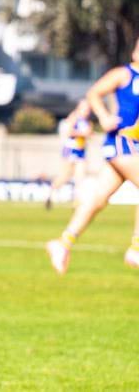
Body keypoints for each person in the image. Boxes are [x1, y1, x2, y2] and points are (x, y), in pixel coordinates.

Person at [46, 39, 139, 274]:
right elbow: (94, 93)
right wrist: (105, 117)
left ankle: (63, 243)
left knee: (98, 199)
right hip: (122, 142)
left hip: (134, 146)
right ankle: (136, 249)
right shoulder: (124, 74)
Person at [46, 100, 92, 209]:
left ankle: (76, 203)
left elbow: (88, 134)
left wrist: (88, 134)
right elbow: (68, 132)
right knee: (65, 176)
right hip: (70, 150)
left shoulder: (87, 121)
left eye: (88, 109)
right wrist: (82, 134)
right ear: (79, 108)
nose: (87, 112)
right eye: (84, 109)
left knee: (80, 178)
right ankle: (50, 193)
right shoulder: (74, 117)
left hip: (81, 152)